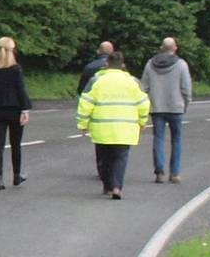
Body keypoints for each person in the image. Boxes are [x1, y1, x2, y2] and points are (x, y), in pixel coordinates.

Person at [76, 47, 148, 200]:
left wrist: (83, 123)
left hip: (102, 127)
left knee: (105, 157)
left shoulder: (97, 80)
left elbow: (85, 102)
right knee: (120, 157)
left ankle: (107, 186)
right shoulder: (132, 82)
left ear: (107, 63)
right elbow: (143, 103)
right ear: (122, 65)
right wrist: (142, 121)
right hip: (125, 128)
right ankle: (117, 187)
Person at [143, 36, 194, 184]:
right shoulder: (181, 64)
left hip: (157, 107)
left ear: (161, 48)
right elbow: (186, 88)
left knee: (158, 139)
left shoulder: (150, 64)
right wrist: (185, 104)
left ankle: (159, 172)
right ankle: (175, 173)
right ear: (175, 48)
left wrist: (147, 103)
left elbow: (144, 87)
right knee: (176, 140)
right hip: (176, 107)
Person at [0, 37, 31, 186]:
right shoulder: (15, 69)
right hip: (15, 109)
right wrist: (25, 109)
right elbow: (20, 90)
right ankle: (16, 176)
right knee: (15, 144)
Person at [74, 39, 114, 120]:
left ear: (98, 51)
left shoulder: (90, 67)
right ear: (112, 52)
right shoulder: (119, 68)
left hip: (96, 106)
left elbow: (82, 89)